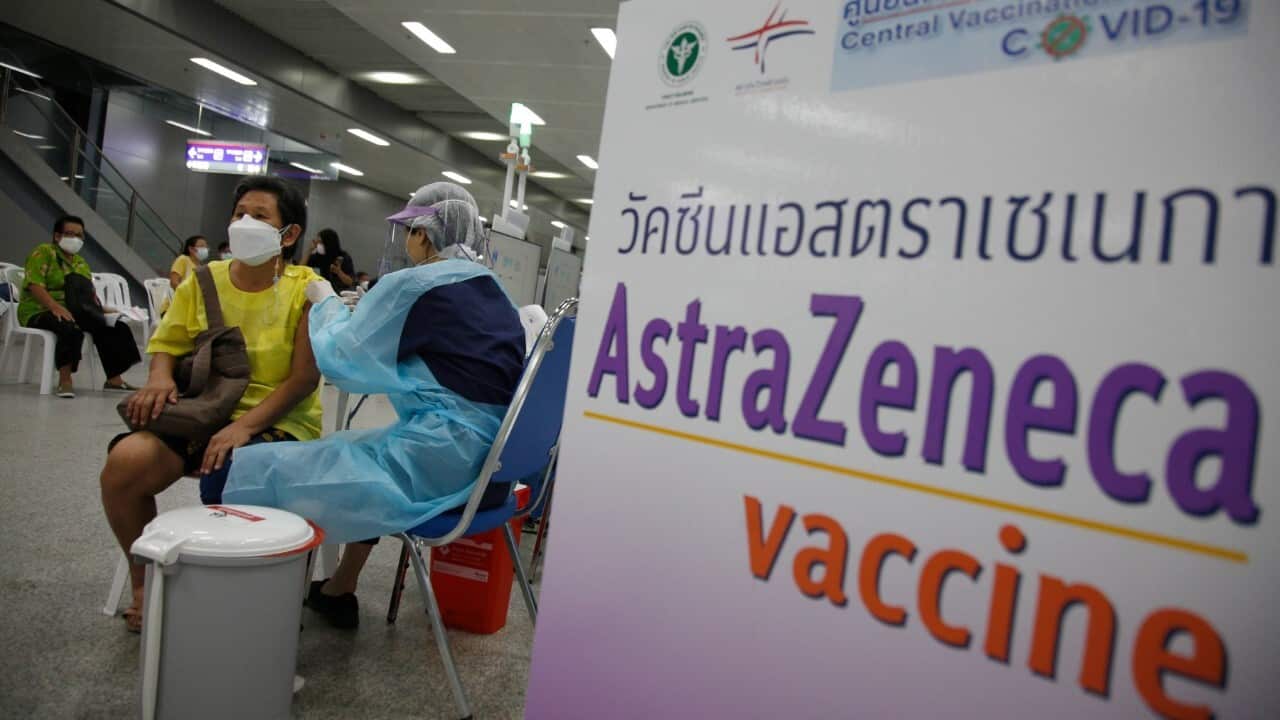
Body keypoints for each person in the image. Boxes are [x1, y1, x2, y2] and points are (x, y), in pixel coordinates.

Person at [223, 182, 525, 629]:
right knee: (361, 451)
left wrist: (325, 302)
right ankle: (338, 587)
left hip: (441, 462)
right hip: (489, 467)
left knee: (256, 471)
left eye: (410, 232)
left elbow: (345, 360)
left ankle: (262, 620)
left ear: (423, 234)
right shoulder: (492, 288)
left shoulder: (417, 284)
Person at [99, 176, 324, 633]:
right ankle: (146, 585)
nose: (244, 223)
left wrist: (244, 428)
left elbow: (303, 379)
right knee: (125, 464)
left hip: (280, 418)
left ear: (290, 234)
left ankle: (242, 603)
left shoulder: (308, 289)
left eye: (260, 216)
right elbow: (168, 342)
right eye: (240, 213)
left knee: (235, 469)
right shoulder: (204, 281)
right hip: (204, 412)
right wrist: (159, 378)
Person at [19, 215, 142, 398]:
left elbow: (87, 294)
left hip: (75, 309)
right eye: (70, 234)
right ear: (57, 236)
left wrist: (104, 310)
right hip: (40, 309)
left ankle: (114, 380)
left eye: (80, 235)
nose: (76, 239)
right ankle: (65, 380)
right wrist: (54, 306)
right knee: (69, 326)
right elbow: (34, 284)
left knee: (114, 326)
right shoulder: (43, 252)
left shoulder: (80, 263)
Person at [302, 228, 355, 292]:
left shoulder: (343, 257)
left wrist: (339, 272)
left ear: (328, 243)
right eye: (317, 242)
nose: (318, 245)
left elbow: (350, 282)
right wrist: (310, 250)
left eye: (320, 242)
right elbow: (301, 268)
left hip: (343, 293)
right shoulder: (320, 256)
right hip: (326, 291)